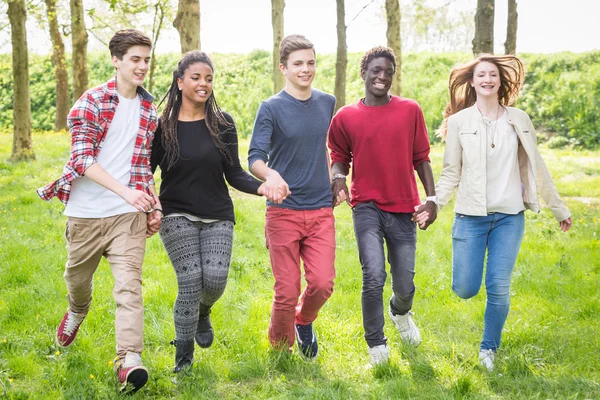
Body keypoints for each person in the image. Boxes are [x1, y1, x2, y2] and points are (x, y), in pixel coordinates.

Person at [423, 54, 572, 371]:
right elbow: (451, 172)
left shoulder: (519, 119)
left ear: (501, 81)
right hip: (469, 218)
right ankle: (478, 319)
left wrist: (558, 209)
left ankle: (488, 349)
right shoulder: (460, 122)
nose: (488, 79)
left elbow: (538, 167)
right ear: (473, 81)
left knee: (499, 287)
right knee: (465, 288)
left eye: (493, 74)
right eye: (481, 75)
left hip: (509, 217)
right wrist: (434, 202)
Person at [36, 29, 161, 393]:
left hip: (128, 217)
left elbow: (141, 167)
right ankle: (77, 311)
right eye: (135, 59)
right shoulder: (90, 102)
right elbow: (82, 159)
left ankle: (129, 360)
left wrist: (152, 203)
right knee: (77, 280)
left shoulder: (149, 110)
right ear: (116, 60)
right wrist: (126, 192)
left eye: (146, 59)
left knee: (129, 288)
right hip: (86, 214)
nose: (142, 66)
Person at [151, 51, 279, 373]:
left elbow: (233, 172)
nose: (203, 84)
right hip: (176, 212)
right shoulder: (162, 125)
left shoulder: (222, 124)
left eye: (208, 78)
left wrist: (261, 187)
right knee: (190, 281)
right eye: (196, 78)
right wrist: (144, 202)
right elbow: (144, 172)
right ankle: (183, 361)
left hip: (217, 213)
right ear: (180, 82)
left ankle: (203, 312)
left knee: (215, 281)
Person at [328, 46, 437, 366]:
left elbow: (422, 158)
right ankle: (376, 343)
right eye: (376, 70)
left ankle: (400, 313)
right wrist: (338, 179)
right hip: (367, 207)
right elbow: (338, 157)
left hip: (404, 207)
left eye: (389, 71)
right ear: (363, 73)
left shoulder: (410, 110)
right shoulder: (346, 117)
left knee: (405, 283)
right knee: (373, 274)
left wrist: (431, 200)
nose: (382, 76)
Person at [248, 34, 339, 360]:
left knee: (323, 282)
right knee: (286, 290)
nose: (306, 69)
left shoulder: (327, 102)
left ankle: (304, 320)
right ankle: (280, 350)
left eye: (310, 63)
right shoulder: (271, 108)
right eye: (298, 64)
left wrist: (337, 179)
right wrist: (271, 175)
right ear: (284, 67)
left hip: (320, 210)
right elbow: (255, 157)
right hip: (283, 211)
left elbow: (336, 148)